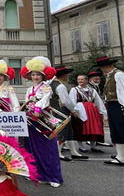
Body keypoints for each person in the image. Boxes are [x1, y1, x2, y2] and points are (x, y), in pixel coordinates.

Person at [21, 56, 63, 187]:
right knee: (32, 147)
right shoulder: (29, 89)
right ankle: (38, 173)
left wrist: (37, 107)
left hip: (43, 119)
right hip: (31, 120)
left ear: (43, 76)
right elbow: (26, 103)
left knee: (47, 147)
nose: (35, 77)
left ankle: (53, 176)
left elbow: (45, 100)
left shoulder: (46, 88)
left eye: (38, 74)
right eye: (33, 74)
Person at [51, 65, 88, 161]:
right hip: (60, 110)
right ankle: (58, 153)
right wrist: (73, 110)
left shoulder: (52, 84)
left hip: (55, 109)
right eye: (67, 74)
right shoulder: (60, 86)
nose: (68, 76)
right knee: (61, 131)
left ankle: (74, 152)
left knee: (69, 131)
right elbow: (66, 101)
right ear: (63, 75)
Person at [94, 56, 124, 166]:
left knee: (120, 129)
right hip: (112, 105)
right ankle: (120, 155)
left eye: (101, 68)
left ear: (105, 66)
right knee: (116, 130)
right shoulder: (111, 75)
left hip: (118, 105)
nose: (101, 70)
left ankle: (121, 157)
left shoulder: (118, 74)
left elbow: (122, 92)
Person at [69, 74, 107, 153]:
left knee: (93, 128)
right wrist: (73, 110)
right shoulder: (74, 89)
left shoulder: (92, 90)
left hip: (92, 111)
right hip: (80, 110)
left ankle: (93, 145)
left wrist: (101, 111)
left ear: (86, 80)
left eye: (82, 79)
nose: (80, 81)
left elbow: (98, 100)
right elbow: (72, 100)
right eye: (78, 79)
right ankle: (81, 146)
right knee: (80, 127)